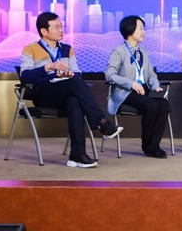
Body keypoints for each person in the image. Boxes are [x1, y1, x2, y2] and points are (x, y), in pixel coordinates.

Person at [19, 12, 122, 168]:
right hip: (43, 95)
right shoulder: (30, 49)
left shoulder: (67, 49)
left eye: (61, 26)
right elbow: (25, 76)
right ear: (44, 31)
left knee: (74, 100)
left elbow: (78, 74)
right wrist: (49, 67)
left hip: (64, 92)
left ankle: (77, 155)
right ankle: (102, 122)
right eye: (56, 27)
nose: (61, 30)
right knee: (74, 85)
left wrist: (68, 74)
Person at [105, 15, 171, 159]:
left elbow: (150, 74)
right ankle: (147, 146)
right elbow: (110, 75)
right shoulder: (119, 51)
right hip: (124, 92)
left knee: (164, 104)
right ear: (130, 29)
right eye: (140, 28)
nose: (144, 32)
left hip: (143, 90)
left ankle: (155, 145)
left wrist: (155, 85)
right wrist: (131, 83)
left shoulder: (144, 52)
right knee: (151, 105)